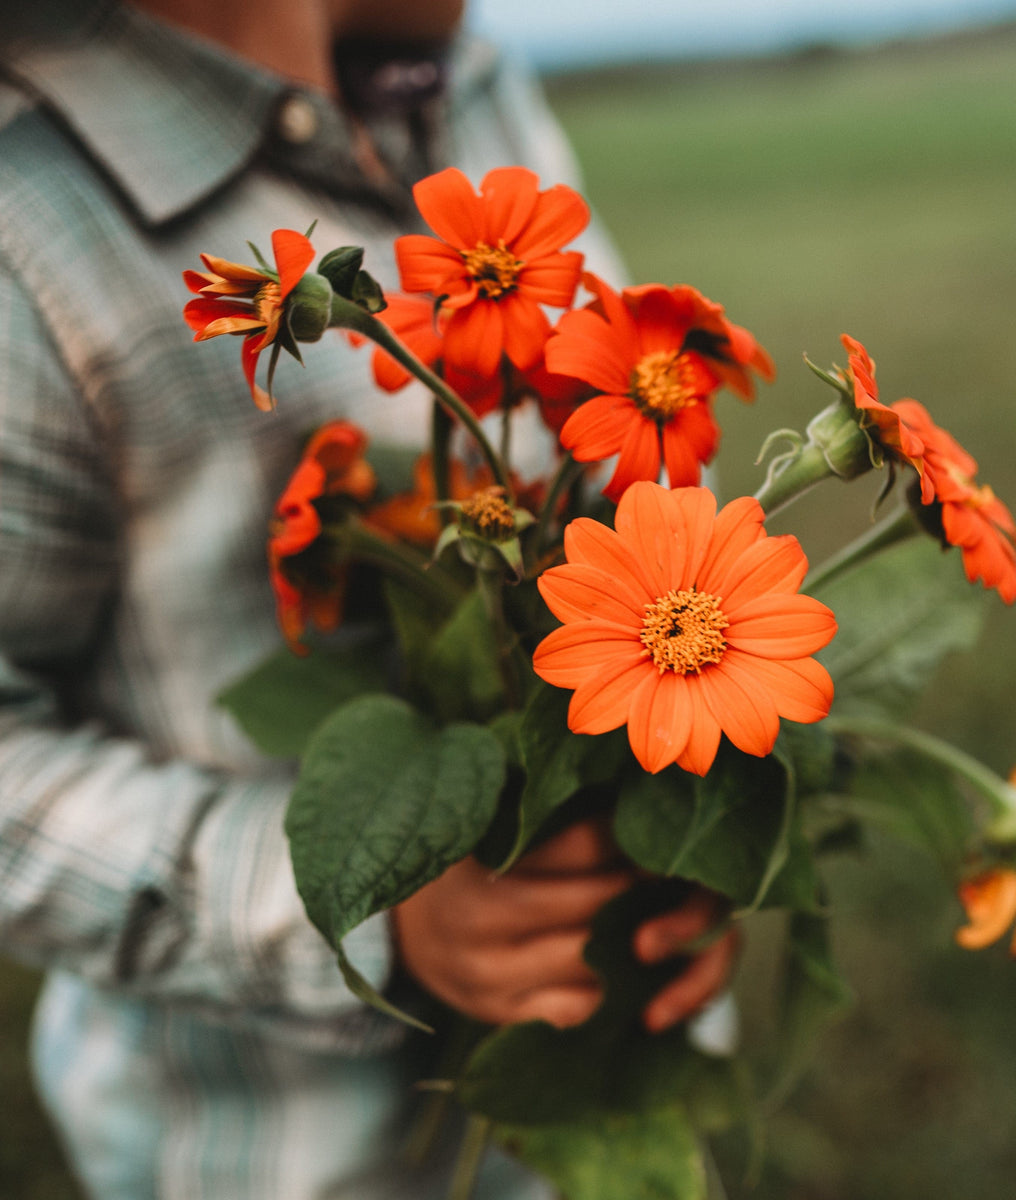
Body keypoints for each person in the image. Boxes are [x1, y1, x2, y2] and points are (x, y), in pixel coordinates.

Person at [0, 2, 737, 1196]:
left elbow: (619, 453)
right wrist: (366, 909)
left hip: (602, 1070)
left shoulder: (467, 78)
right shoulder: (26, 223)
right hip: (286, 1146)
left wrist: (696, 821)